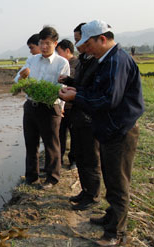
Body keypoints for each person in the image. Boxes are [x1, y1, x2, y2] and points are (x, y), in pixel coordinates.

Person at [59, 20, 144, 246]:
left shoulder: (117, 61)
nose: (85, 50)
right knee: (110, 176)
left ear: (102, 39)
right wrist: (77, 89)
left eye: (88, 45)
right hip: (109, 129)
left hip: (120, 131)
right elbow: (97, 91)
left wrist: (76, 97)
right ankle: (111, 217)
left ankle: (115, 234)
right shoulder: (105, 60)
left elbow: (108, 99)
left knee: (118, 183)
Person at [15, 26, 70, 188]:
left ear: (55, 43)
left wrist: (61, 107)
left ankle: (52, 178)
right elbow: (17, 79)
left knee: (51, 144)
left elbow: (62, 88)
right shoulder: (32, 60)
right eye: (41, 43)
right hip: (31, 106)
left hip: (50, 108)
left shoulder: (62, 62)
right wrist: (22, 77)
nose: (44, 47)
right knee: (30, 143)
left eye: (48, 43)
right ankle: (31, 177)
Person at [59, 23, 102, 211]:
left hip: (89, 116)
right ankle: (85, 191)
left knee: (91, 157)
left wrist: (75, 94)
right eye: (76, 40)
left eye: (80, 40)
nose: (78, 44)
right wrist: (70, 82)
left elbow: (96, 91)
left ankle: (92, 195)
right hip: (78, 114)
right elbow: (82, 83)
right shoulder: (85, 59)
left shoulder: (98, 61)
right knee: (81, 156)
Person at [56, 39, 78, 170]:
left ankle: (73, 160)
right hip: (61, 105)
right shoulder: (59, 64)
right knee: (60, 134)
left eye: (59, 52)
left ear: (67, 51)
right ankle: (58, 160)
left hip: (73, 105)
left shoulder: (78, 64)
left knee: (74, 134)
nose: (57, 56)